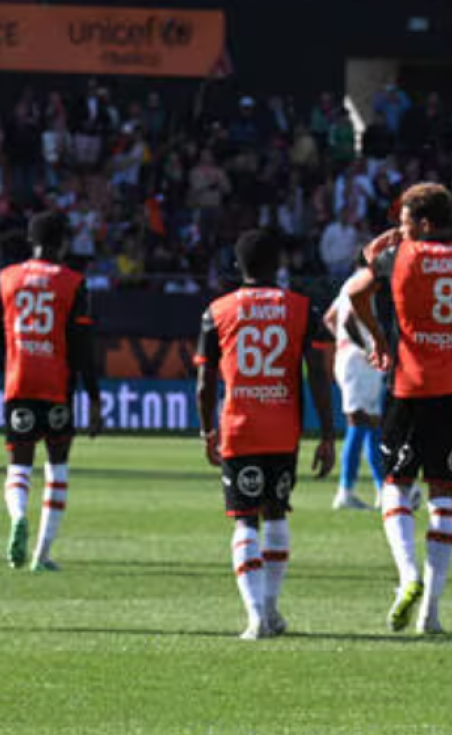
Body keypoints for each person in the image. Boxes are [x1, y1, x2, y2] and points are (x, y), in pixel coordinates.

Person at [347, 183, 452, 635]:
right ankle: (431, 611)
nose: (399, 230)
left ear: (424, 224)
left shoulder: (400, 257)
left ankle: (407, 575)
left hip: (409, 386)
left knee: (396, 484)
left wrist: (380, 337)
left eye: (405, 222)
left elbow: (355, 293)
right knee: (443, 496)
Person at [195, 230, 337, 640]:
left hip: (239, 428)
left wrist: (208, 430)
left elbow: (205, 382)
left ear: (238, 267)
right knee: (275, 513)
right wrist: (327, 435)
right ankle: (271, 608)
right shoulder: (300, 308)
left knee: (244, 520)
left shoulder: (217, 310)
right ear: (278, 266)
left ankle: (256, 616)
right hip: (283, 429)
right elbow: (317, 375)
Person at [0, 212, 103, 571]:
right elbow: (82, 347)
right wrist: (94, 398)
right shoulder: (73, 282)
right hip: (57, 387)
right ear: (63, 243)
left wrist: (6, 372)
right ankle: (42, 553)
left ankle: (18, 518)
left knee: (19, 465)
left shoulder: (6, 278)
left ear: (30, 240)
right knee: (57, 466)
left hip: (19, 381)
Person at [324, 257, 388, 511]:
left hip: (353, 360)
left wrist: (343, 343)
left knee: (372, 424)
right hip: (358, 362)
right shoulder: (363, 281)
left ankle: (382, 490)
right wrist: (365, 348)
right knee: (359, 422)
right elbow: (349, 320)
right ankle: (345, 491)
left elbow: (330, 319)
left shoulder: (348, 284)